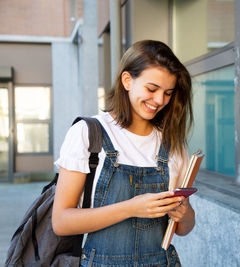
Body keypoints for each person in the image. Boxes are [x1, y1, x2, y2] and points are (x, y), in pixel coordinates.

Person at [52, 40, 194, 266]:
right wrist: (131, 208)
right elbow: (61, 221)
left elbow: (182, 229)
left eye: (168, 93)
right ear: (127, 80)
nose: (159, 101)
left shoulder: (173, 143)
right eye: (152, 89)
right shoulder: (89, 133)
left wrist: (186, 216)